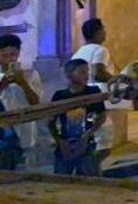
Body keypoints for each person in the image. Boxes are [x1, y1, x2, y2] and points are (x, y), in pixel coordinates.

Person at [48, 58, 106, 176]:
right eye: (82, 72)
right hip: (65, 144)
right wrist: (59, 141)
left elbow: (101, 115)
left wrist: (87, 135)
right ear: (69, 75)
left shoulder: (93, 92)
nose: (86, 75)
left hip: (87, 143)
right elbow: (50, 121)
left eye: (87, 71)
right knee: (61, 178)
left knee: (89, 177)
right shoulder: (59, 96)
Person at [72, 17, 120, 152]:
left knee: (88, 134)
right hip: (98, 99)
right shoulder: (100, 50)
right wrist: (118, 79)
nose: (105, 32)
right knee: (103, 138)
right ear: (98, 32)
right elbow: (98, 74)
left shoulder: (79, 53)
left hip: (82, 98)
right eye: (103, 29)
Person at [0, 33, 40, 169]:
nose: (9, 59)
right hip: (3, 132)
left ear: (18, 53)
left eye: (13, 55)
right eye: (4, 56)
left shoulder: (31, 74)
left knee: (26, 170)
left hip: (25, 129)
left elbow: (36, 102)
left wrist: (22, 82)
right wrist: (4, 82)